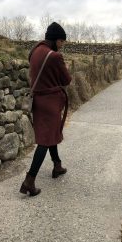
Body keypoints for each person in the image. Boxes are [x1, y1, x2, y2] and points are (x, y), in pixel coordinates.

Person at [19, 22, 72, 197]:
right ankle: (29, 180)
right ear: (57, 40)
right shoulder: (55, 56)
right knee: (44, 140)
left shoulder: (34, 51)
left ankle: (57, 165)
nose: (62, 45)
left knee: (49, 134)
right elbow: (66, 80)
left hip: (38, 102)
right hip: (51, 103)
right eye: (62, 41)